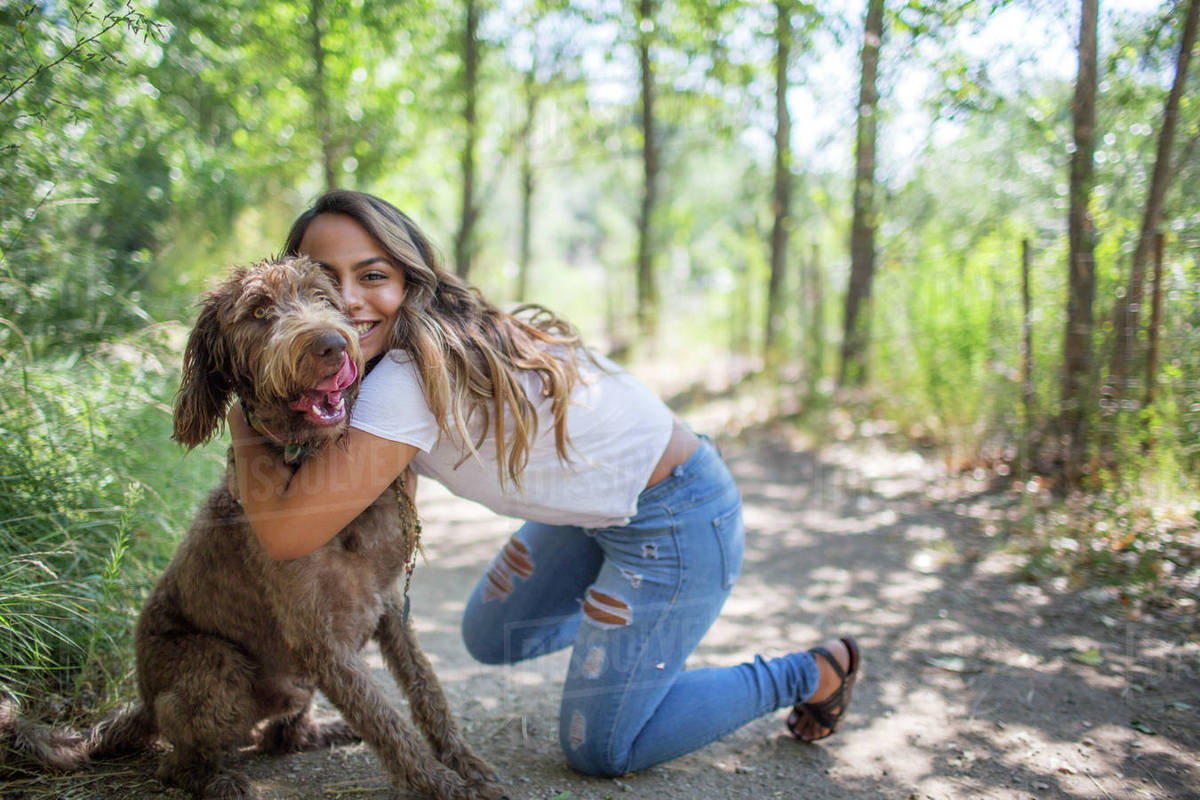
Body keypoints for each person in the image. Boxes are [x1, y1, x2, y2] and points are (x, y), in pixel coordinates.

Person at [227, 189, 861, 778]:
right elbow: (388, 500)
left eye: (372, 275)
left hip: (679, 517)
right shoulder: (381, 354)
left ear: (409, 279)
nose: (348, 301)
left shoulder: (405, 375)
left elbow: (286, 535)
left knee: (603, 750)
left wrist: (242, 418)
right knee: (493, 635)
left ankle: (811, 672)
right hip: (599, 517)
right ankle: (632, 639)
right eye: (322, 280)